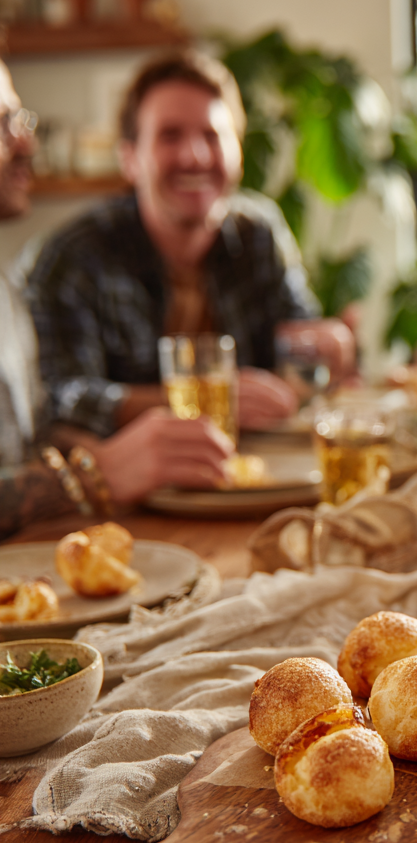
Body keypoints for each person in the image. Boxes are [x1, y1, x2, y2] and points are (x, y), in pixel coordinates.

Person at [25, 51, 355, 441]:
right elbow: (61, 400)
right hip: (136, 498)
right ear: (130, 159)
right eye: (170, 135)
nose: (194, 156)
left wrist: (329, 346)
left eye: (212, 136)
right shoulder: (75, 255)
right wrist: (202, 401)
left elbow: (300, 346)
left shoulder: (259, 232)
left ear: (239, 153)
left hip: (257, 477)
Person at [0, 60, 235, 539]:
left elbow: (34, 432)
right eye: (1, 123)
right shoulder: (69, 256)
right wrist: (94, 473)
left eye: (19, 121)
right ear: (130, 158)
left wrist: (99, 454)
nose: (28, 143)